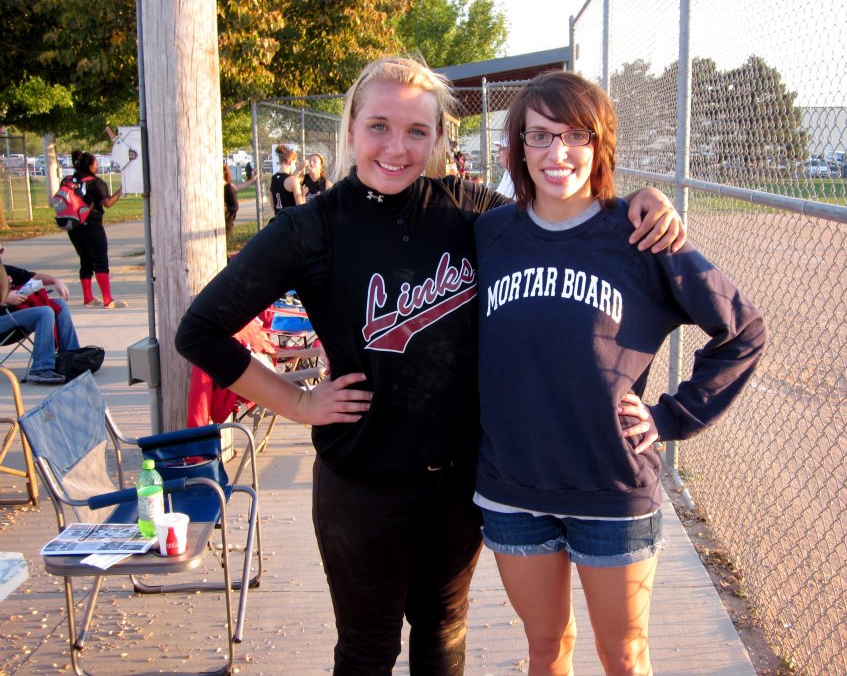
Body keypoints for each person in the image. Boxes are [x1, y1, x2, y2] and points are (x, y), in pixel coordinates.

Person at [176, 55, 685, 676]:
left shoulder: (472, 212)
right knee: (368, 647)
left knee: (443, 632)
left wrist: (638, 199)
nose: (396, 147)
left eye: (417, 131)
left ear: (440, 138)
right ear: (351, 130)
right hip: (361, 480)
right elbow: (200, 330)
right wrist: (299, 402)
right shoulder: (312, 228)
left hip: (458, 479)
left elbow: (563, 207)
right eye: (379, 127)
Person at [473, 71, 768, 675]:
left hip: (611, 486)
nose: (557, 154)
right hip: (512, 485)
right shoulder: (490, 233)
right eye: (539, 137)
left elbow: (742, 331)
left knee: (624, 657)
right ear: (517, 147)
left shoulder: (641, 234)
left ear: (600, 143)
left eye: (576, 135)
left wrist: (670, 416)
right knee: (545, 648)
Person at [0, 247, 81, 384]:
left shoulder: (6, 270)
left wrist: (56, 280)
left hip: (15, 321)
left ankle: (70, 358)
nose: (1, 253)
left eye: (1, 250)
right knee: (44, 312)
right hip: (3, 324)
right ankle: (41, 368)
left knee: (59, 304)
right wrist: (5, 298)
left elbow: (35, 278)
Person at [67, 150, 125, 308]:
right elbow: (108, 203)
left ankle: (88, 297)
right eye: (96, 164)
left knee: (85, 260)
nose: (97, 166)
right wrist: (122, 189)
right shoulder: (96, 182)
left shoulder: (69, 181)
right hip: (92, 224)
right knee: (100, 260)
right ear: (90, 166)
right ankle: (108, 300)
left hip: (73, 226)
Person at [223, 164, 258, 239]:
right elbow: (239, 186)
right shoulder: (227, 186)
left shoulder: (228, 187)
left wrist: (224, 208)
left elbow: (235, 207)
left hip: (227, 224)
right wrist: (251, 180)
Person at [269, 144, 304, 215]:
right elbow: (300, 208)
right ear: (290, 161)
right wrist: (303, 194)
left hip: (278, 220)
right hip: (290, 221)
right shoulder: (293, 180)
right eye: (294, 163)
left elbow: (273, 206)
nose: (295, 166)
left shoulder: (273, 179)